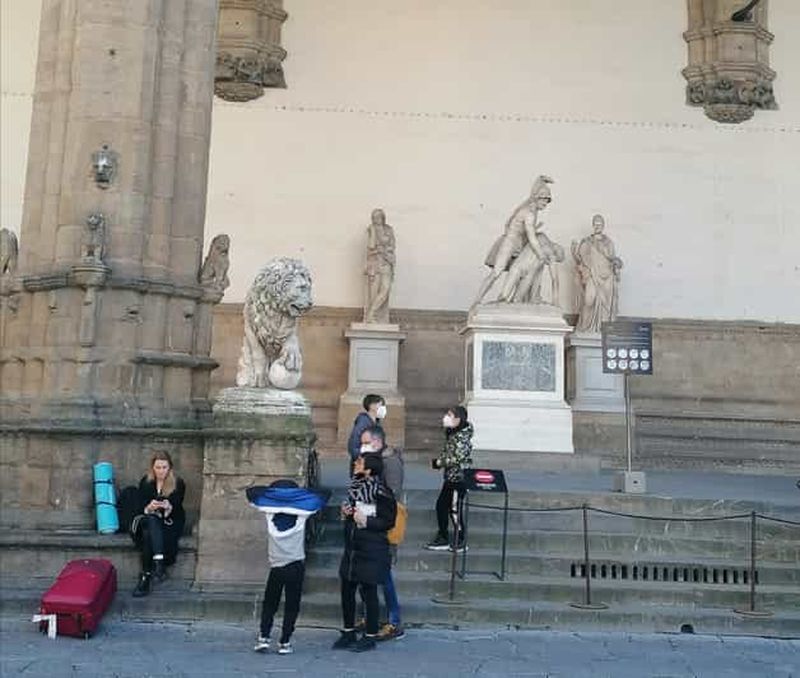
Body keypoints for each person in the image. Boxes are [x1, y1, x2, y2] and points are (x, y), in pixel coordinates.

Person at [247, 480, 327, 655]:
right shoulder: (304, 512)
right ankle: (285, 642)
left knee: (270, 603)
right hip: (295, 565)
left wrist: (275, 495)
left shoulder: (268, 512)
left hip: (276, 567)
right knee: (292, 605)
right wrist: (296, 496)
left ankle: (264, 638)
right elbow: (324, 494)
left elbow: (252, 492)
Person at [332, 452, 397, 653]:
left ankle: (370, 635)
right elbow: (353, 511)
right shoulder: (355, 487)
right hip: (352, 548)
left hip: (372, 548)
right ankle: (348, 631)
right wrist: (346, 513)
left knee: (369, 592)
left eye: (360, 462)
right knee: (347, 590)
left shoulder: (382, 492)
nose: (355, 464)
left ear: (369, 469)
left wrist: (367, 521)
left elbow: (388, 521)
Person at [472, 175, 554, 307]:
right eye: (545, 201)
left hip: (519, 243)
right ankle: (477, 302)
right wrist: (541, 255)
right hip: (510, 243)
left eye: (548, 201)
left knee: (520, 271)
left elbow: (533, 192)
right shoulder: (530, 213)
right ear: (538, 198)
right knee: (496, 272)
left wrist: (541, 180)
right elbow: (532, 238)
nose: (546, 204)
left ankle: (513, 300)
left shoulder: (531, 208)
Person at [363, 427, 405, 641]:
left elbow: (392, 495)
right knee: (368, 573)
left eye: (365, 442)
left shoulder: (391, 462)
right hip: (370, 523)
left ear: (377, 442)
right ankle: (370, 615)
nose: (362, 446)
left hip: (384, 525)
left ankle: (394, 622)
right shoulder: (373, 459)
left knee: (384, 575)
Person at [132, 451, 186, 597]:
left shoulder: (178, 483)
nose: (161, 471)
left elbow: (177, 505)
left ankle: (145, 576)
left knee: (148, 535)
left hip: (171, 521)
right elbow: (140, 507)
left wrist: (168, 507)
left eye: (164, 467)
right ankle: (158, 565)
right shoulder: (146, 482)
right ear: (153, 467)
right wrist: (149, 507)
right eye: (158, 467)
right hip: (149, 519)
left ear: (170, 468)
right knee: (151, 521)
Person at [426, 406, 473, 552]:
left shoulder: (462, 437)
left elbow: (457, 457)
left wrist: (439, 462)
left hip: (459, 479)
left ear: (458, 419)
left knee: (454, 508)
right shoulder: (453, 433)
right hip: (450, 478)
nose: (445, 418)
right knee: (441, 506)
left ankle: (460, 539)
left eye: (450, 415)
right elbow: (448, 452)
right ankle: (443, 536)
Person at [571, 214, 623, 333]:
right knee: (589, 300)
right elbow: (580, 260)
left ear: (603, 226)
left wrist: (617, 263)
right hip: (592, 275)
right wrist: (574, 252)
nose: (597, 226)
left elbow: (612, 258)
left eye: (600, 224)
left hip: (607, 276)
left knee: (606, 305)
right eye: (595, 224)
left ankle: (602, 330)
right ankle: (584, 328)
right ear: (593, 225)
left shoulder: (608, 242)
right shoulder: (587, 242)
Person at [364, 208, 396, 324]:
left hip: (386, 262)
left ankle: (372, 312)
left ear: (383, 217)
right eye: (373, 217)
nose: (375, 219)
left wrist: (385, 250)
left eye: (378, 216)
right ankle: (370, 316)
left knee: (385, 289)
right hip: (375, 264)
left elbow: (392, 245)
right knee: (373, 292)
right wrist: (373, 231)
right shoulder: (371, 229)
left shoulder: (389, 229)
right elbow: (371, 246)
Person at [347, 394, 386, 474]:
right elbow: (354, 444)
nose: (383, 408)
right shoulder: (363, 422)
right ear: (372, 406)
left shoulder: (377, 423)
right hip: (364, 466)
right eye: (381, 405)